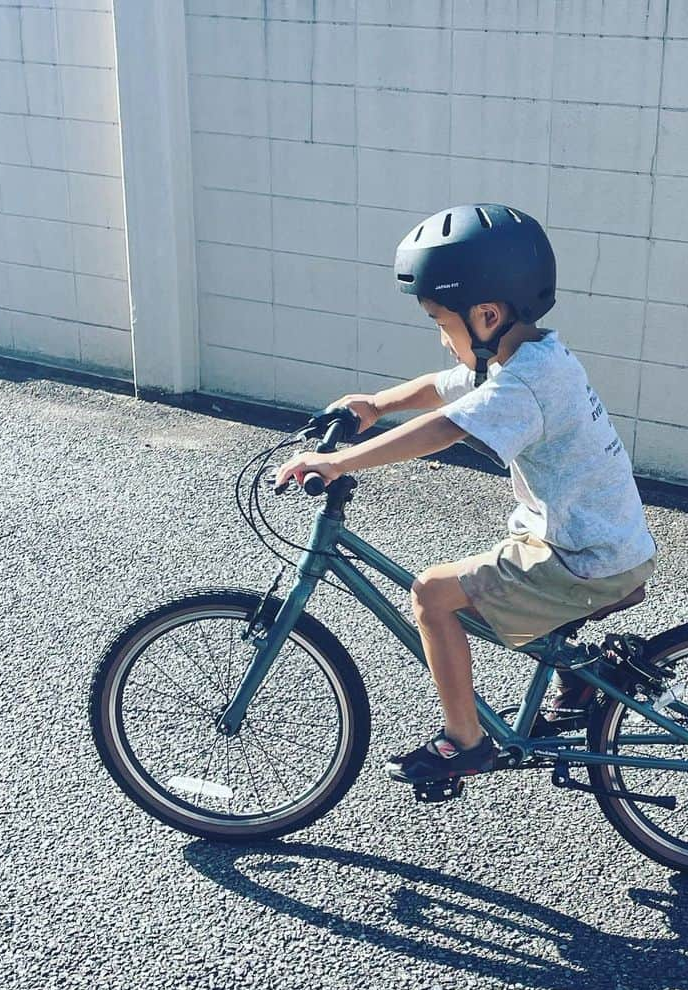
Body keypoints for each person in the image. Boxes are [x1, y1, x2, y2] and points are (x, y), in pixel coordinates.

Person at [275, 204, 658, 784]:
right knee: (485, 570)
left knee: (433, 593)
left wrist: (339, 461)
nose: (438, 332)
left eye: (439, 318)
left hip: (585, 559)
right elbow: (444, 387)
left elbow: (448, 426)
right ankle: (581, 674)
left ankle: (465, 742)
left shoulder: (524, 382)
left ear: (485, 314)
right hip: (598, 541)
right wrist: (374, 406)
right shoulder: (531, 355)